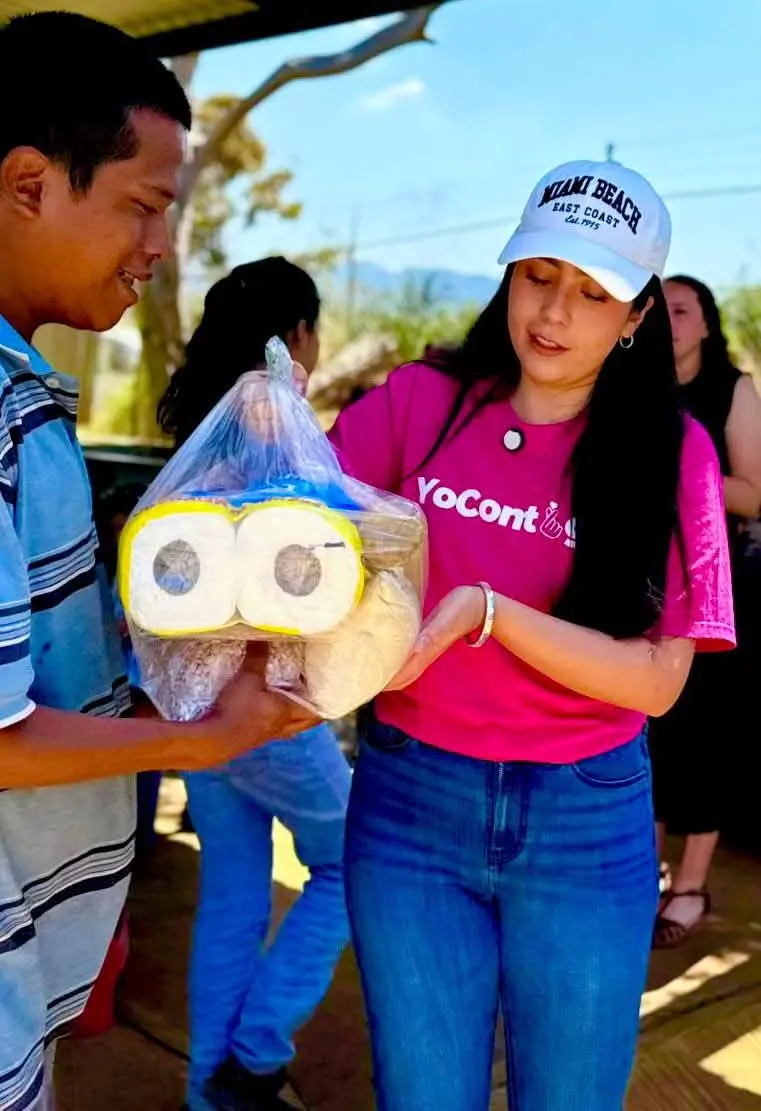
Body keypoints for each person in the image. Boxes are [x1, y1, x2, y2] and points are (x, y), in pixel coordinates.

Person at [327, 159, 735, 1111]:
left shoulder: (674, 450)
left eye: (592, 293)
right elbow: (303, 524)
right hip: (409, 802)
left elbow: (656, 681)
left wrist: (490, 614)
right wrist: (271, 444)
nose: (553, 313)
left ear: (635, 316)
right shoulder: (422, 402)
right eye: (537, 276)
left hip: (584, 819)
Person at [0, 17, 315, 1111]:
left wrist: (175, 676)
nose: (161, 245)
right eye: (143, 204)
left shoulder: (26, 401)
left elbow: (41, 685)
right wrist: (202, 736)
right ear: (30, 184)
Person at [157, 259, 351, 1111]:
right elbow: (306, 554)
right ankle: (254, 1057)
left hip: (195, 701)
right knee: (351, 862)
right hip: (266, 700)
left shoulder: (201, 430)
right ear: (296, 335)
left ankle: (212, 1093)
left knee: (232, 894)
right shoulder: (275, 427)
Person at [649, 275, 761, 947]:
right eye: (658, 308)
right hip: (646, 583)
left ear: (707, 325)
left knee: (705, 738)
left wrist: (683, 472)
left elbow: (753, 493)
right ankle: (647, 873)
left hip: (718, 585)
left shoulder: (731, 389)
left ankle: (690, 886)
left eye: (682, 309)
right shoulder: (634, 381)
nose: (668, 319)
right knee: (649, 728)